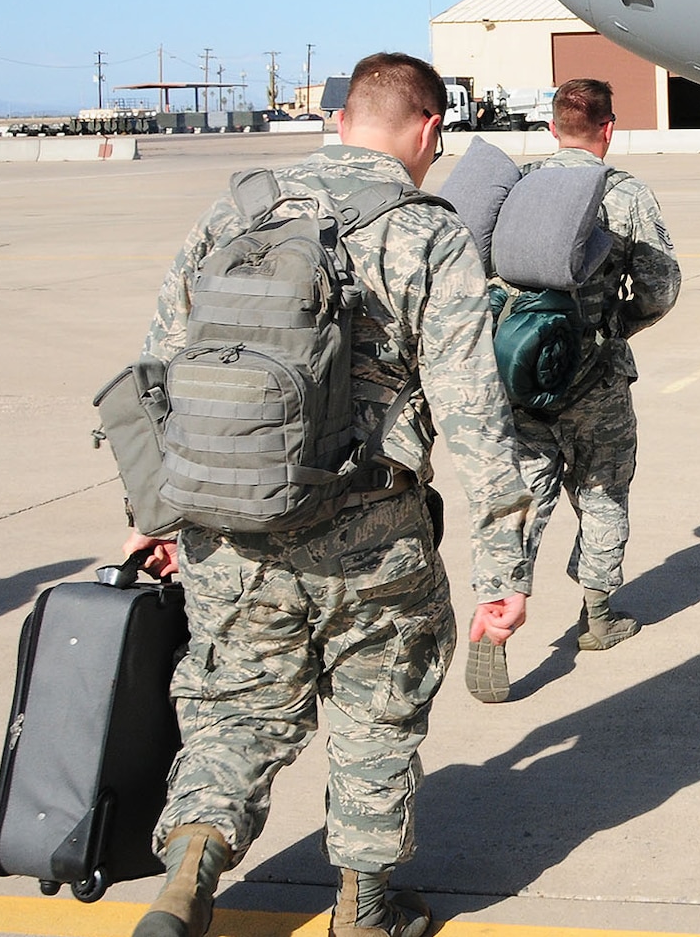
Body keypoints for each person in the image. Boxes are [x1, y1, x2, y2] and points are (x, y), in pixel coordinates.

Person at [125, 52, 534, 937]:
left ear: (342, 117)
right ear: (431, 130)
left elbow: (157, 377)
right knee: (376, 715)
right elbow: (475, 414)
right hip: (372, 539)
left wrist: (164, 516)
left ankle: (188, 874)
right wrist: (504, 567)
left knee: (235, 708)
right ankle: (364, 907)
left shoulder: (236, 212)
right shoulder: (429, 232)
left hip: (230, 533)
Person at [507, 78, 682, 652]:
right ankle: (599, 614)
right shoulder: (624, 193)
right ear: (609, 128)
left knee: (522, 498)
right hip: (597, 378)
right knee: (604, 489)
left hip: (524, 373)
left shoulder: (520, 186)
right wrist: (617, 325)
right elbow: (659, 289)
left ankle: (498, 615)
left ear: (552, 129)